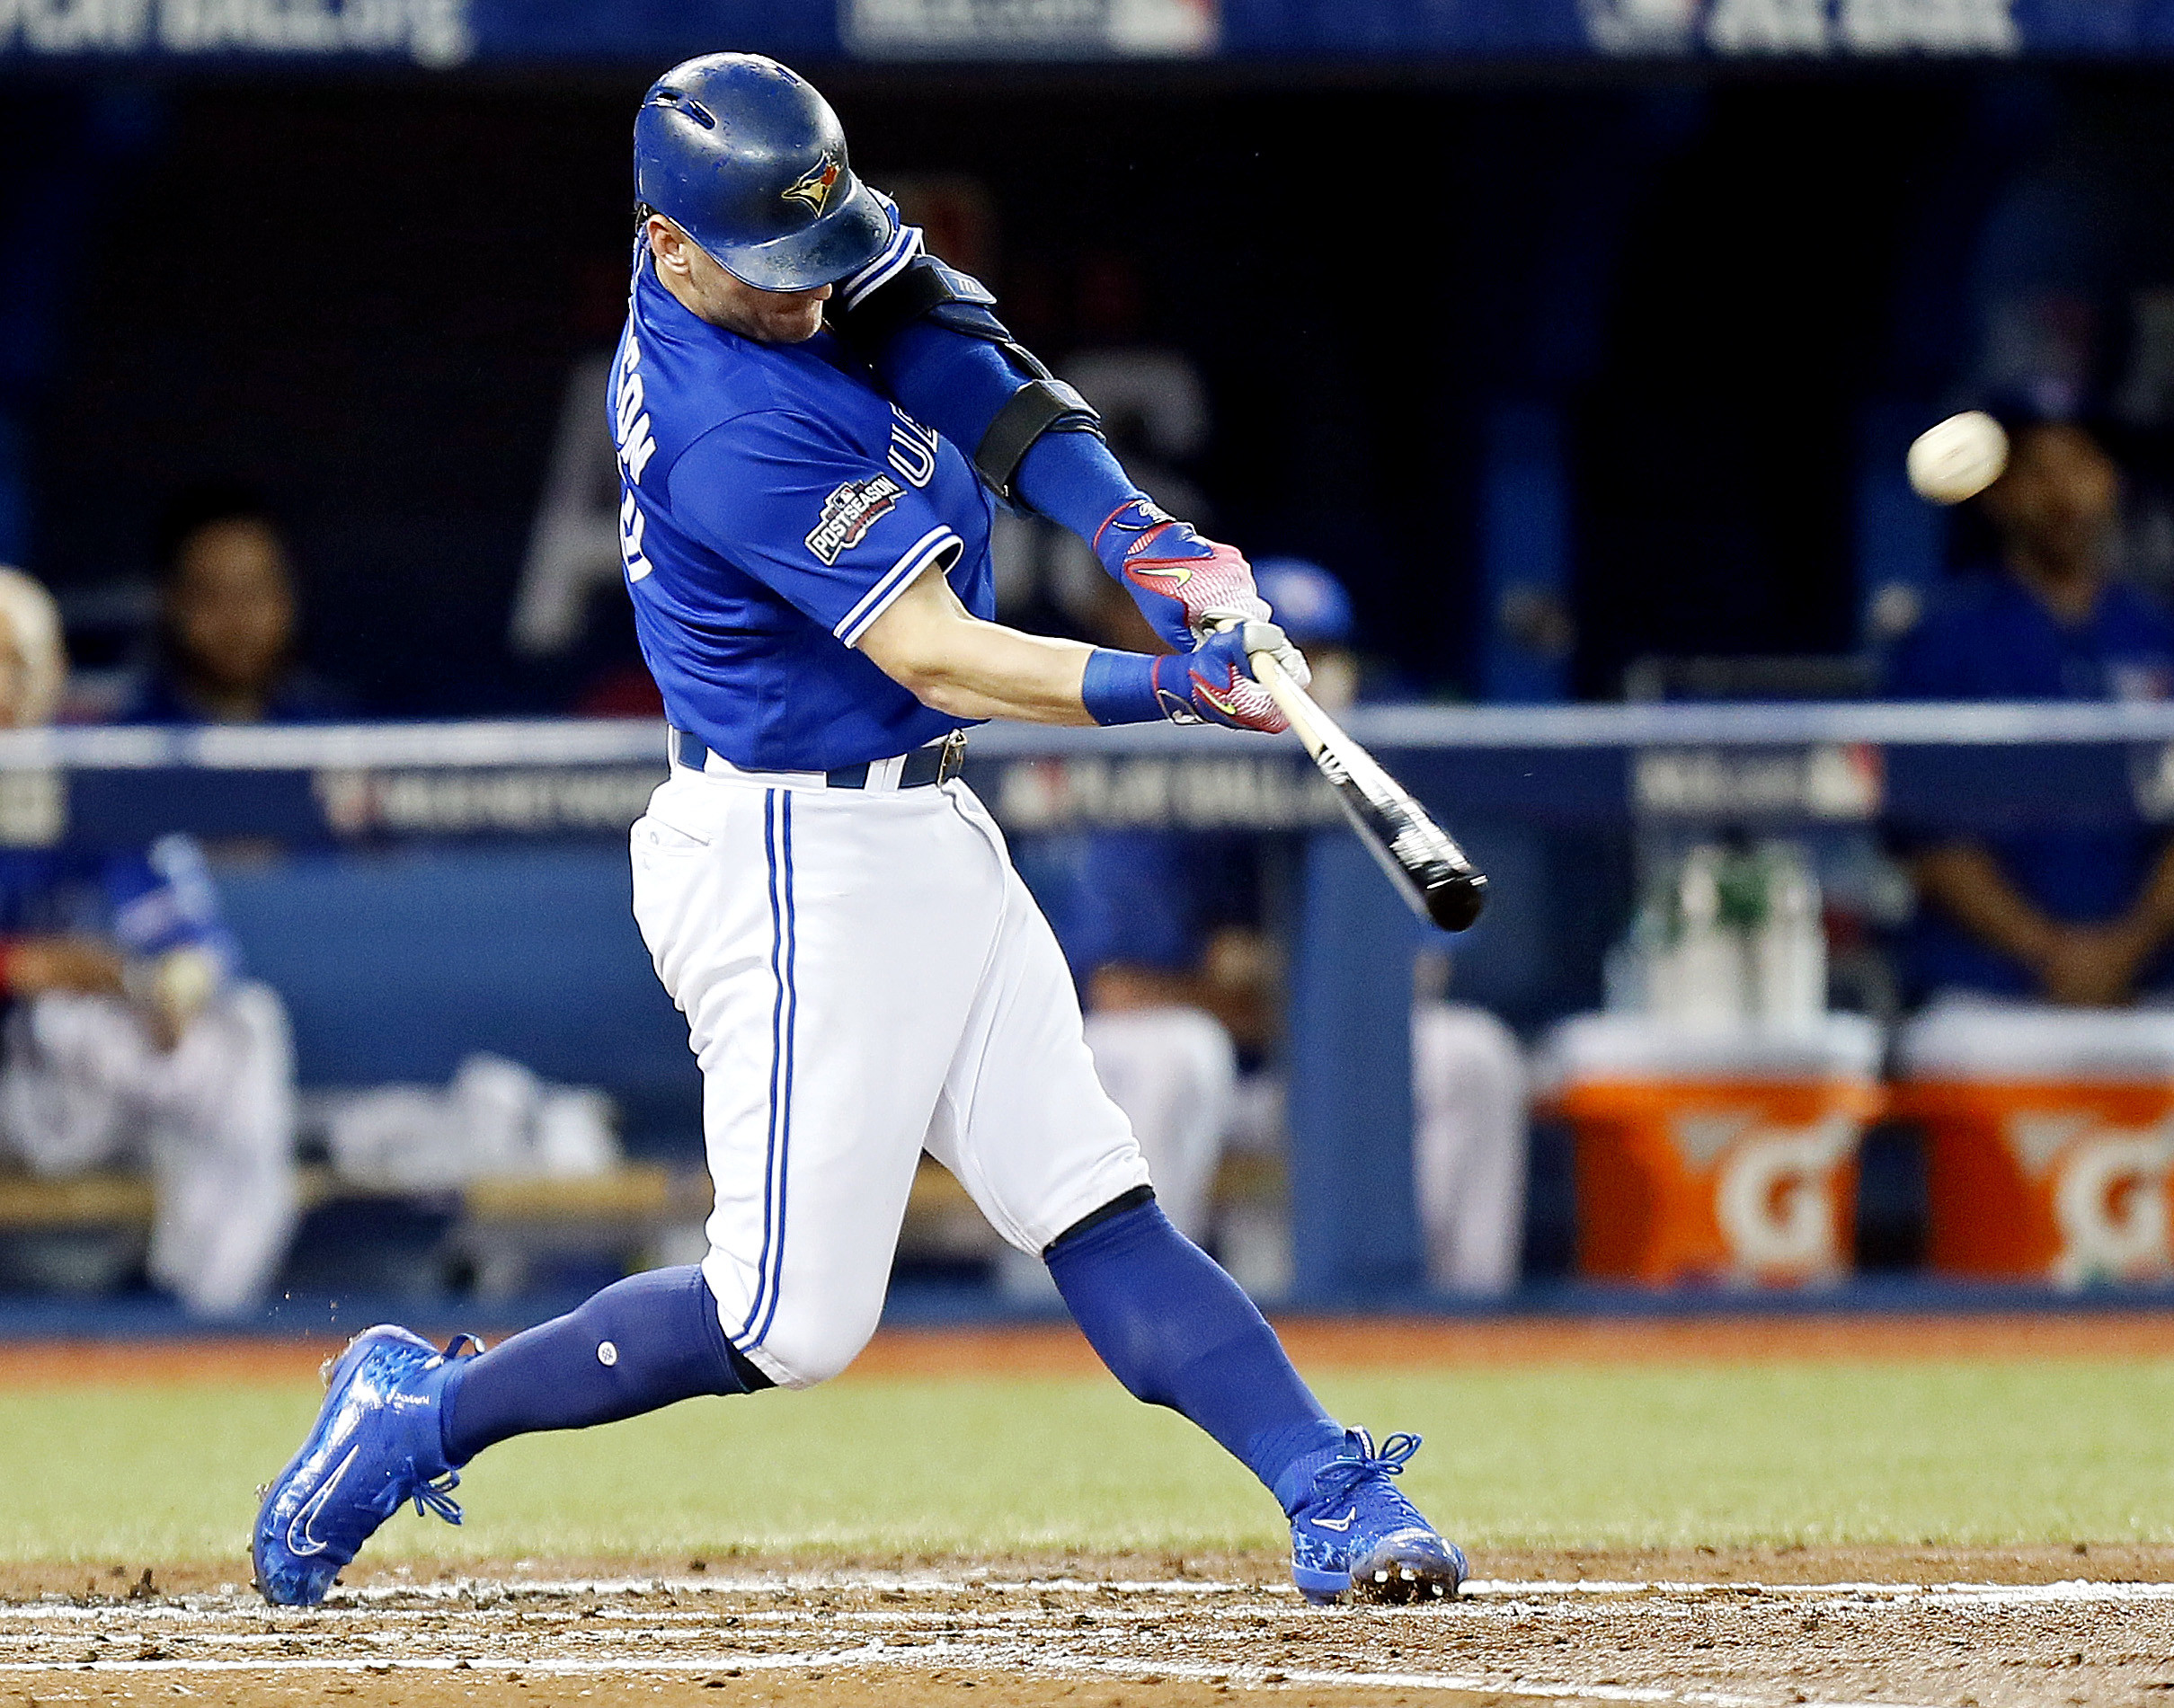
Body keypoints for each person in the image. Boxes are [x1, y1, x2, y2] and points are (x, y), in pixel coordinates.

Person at [251, 54, 1464, 1612]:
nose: (811, 291)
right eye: (775, 269)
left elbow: (956, 350)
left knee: (1089, 1197)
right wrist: (1173, 683)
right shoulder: (721, 421)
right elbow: (938, 653)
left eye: (820, 251)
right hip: (790, 860)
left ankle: (1330, 1489)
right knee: (786, 1322)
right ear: (666, 245)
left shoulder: (787, 234)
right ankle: (418, 1413)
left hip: (921, 827)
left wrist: (1139, 535)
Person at [1025, 561, 1530, 1293]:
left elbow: (1423, 969)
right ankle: (1135, 1307)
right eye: (1284, 658)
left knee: (1471, 1054)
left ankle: (1458, 1319)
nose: (1307, 679)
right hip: (1198, 1075)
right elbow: (1120, 989)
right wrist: (1295, 994)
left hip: (1318, 1068)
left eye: (1322, 656)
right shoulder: (1163, 763)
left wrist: (1264, 978)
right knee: (1182, 1055)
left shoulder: (1374, 777)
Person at [0, 568, 297, 1314]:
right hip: (16, 1062)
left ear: (56, 672)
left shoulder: (95, 776)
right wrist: (32, 964)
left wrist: (174, 985)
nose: (3, 686)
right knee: (59, 1017)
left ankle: (210, 1313)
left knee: (246, 1029)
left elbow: (193, 945)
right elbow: (31, 969)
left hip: (74, 1077)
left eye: (18, 662)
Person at [1884, 416, 2174, 1006]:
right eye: (2036, 472)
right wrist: (2048, 951)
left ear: (2109, 481)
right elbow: (1929, 838)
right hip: (1982, 990)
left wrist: (2122, 951)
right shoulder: (1943, 641)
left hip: (2140, 988)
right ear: (1997, 494)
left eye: (2079, 467)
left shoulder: (2168, 640)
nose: (2062, 493)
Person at [120, 485, 344, 725]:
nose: (237, 620)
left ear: (288, 597)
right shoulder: (127, 740)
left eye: (254, 592)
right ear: (171, 603)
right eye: (210, 595)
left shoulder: (339, 735)